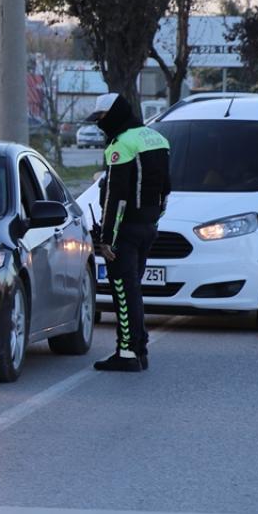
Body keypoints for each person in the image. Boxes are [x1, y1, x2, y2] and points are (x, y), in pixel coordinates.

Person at [86, 93, 171, 372]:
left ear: (115, 114)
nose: (100, 124)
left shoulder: (121, 145)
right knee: (133, 290)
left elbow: (116, 196)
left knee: (123, 292)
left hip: (125, 232)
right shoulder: (156, 138)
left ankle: (127, 353)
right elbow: (166, 189)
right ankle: (139, 349)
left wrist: (106, 239)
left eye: (102, 118)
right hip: (148, 227)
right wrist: (154, 220)